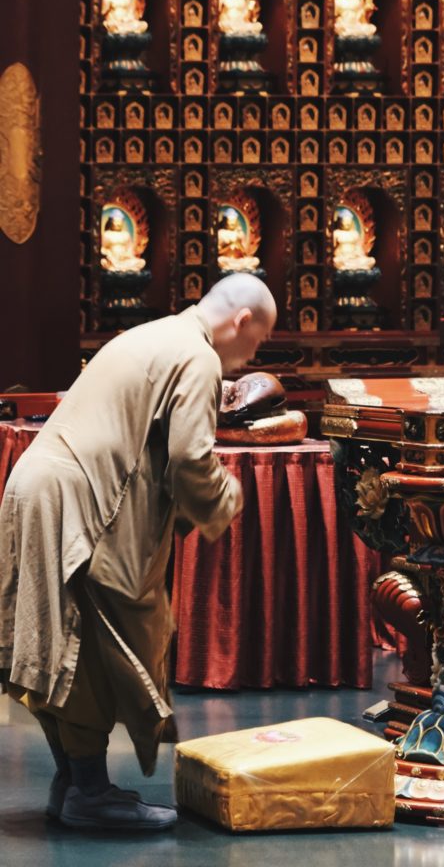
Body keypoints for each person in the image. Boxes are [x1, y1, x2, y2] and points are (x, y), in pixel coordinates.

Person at [0, 274, 277, 831]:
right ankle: (91, 793)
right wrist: (231, 499)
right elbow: (190, 460)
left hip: (35, 487)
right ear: (242, 321)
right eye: (258, 343)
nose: (251, 358)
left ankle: (75, 781)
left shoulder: (153, 334)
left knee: (61, 639)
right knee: (92, 644)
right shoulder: (197, 357)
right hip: (75, 500)